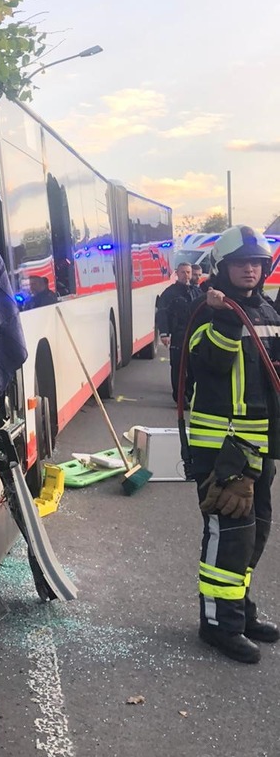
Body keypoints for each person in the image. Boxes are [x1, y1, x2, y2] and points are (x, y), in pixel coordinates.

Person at [185, 226, 280, 663]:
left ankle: (237, 611)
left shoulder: (266, 309)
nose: (251, 269)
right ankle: (218, 625)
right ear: (221, 269)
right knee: (228, 536)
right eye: (241, 262)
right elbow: (211, 364)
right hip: (223, 449)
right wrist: (223, 312)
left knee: (254, 533)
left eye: (257, 262)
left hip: (257, 448)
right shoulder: (208, 313)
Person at [156, 262, 203, 402]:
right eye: (183, 272)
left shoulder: (197, 292)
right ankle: (180, 397)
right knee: (178, 367)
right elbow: (162, 313)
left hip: (194, 336)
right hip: (178, 335)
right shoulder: (169, 293)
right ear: (177, 273)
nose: (186, 275)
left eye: (188, 272)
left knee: (193, 369)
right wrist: (164, 333)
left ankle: (189, 394)